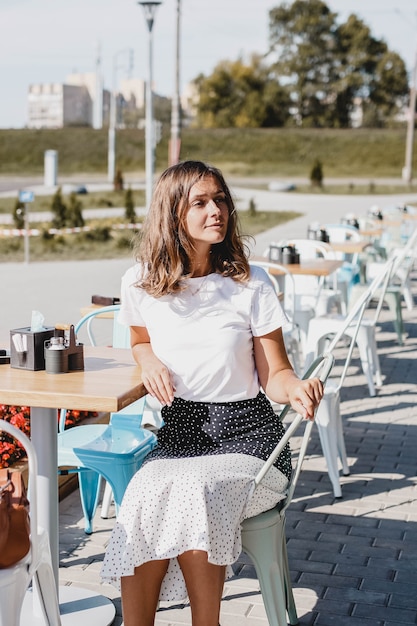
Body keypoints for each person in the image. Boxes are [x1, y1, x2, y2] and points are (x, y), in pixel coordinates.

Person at [101, 160, 324, 626]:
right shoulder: (140, 281)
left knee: (195, 489)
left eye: (220, 199)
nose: (216, 210)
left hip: (251, 439)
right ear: (173, 213)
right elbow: (140, 342)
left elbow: (276, 375)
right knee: (141, 493)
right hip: (180, 433)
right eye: (200, 202)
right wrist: (148, 359)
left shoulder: (251, 282)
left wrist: (297, 388)